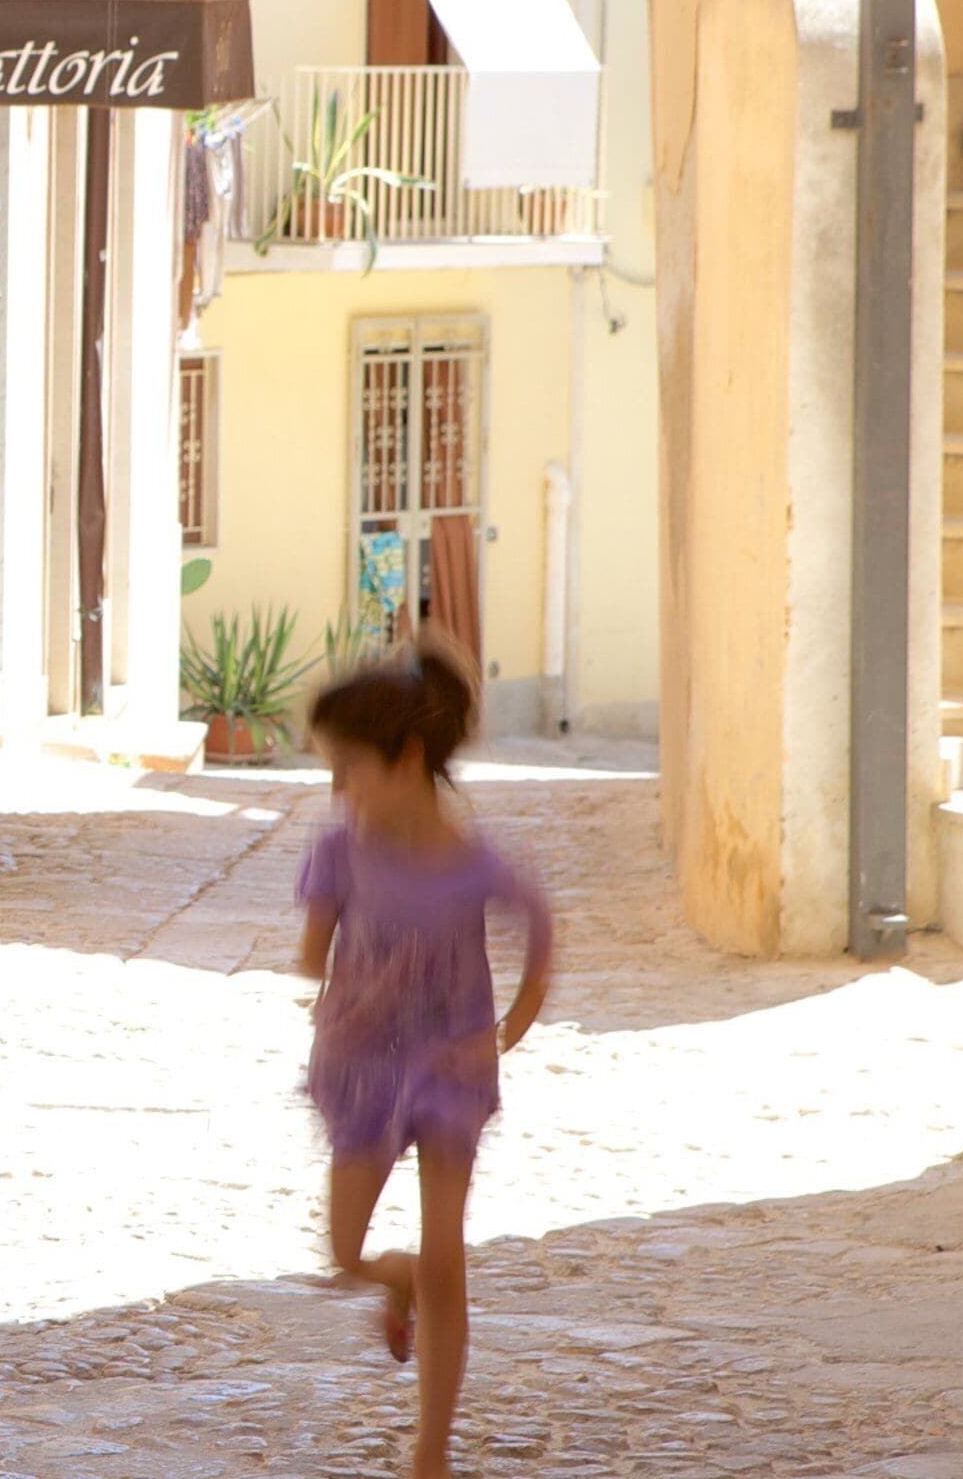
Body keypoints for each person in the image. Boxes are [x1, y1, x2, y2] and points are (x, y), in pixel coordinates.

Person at [297, 634, 555, 1479]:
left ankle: (431, 1452)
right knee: (343, 1253)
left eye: (349, 768)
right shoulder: (339, 850)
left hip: (449, 1072)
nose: (339, 790)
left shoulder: (472, 863)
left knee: (449, 1255)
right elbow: (313, 949)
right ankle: (391, 1276)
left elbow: (540, 930)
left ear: (406, 758)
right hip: (362, 1070)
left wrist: (507, 1027)